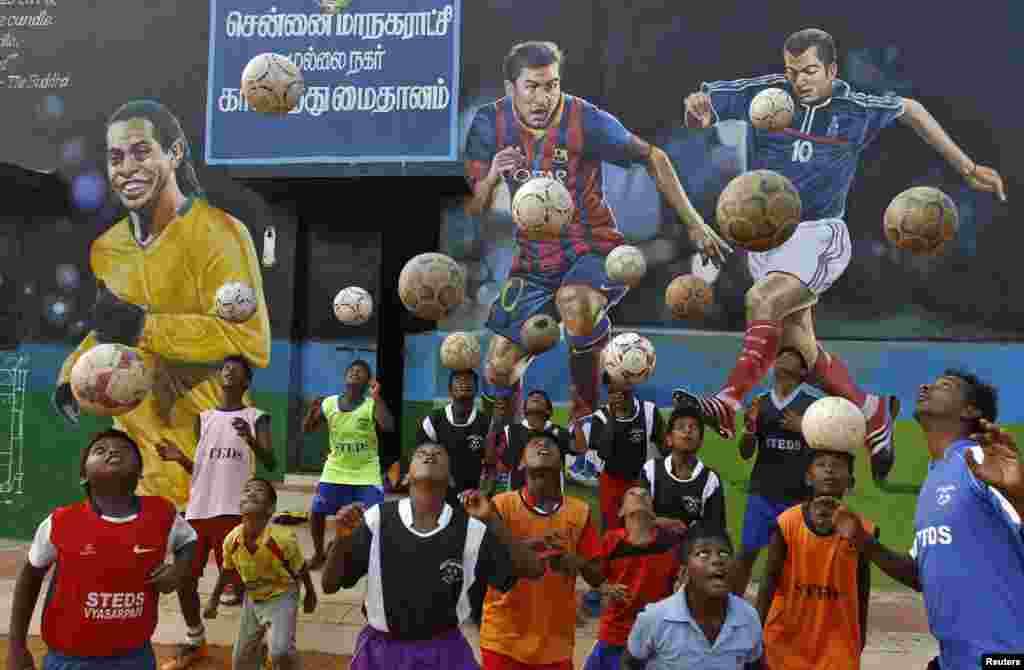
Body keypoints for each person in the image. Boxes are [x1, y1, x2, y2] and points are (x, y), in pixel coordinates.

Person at [678, 28, 1006, 482]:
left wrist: (967, 167)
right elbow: (704, 103)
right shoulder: (765, 94)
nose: (799, 81)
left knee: (763, 303)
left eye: (810, 71)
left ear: (832, 70)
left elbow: (910, 110)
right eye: (792, 71)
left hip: (819, 236)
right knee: (799, 350)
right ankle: (872, 412)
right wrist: (697, 111)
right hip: (766, 242)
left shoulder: (856, 109)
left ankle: (728, 400)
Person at [463, 40, 729, 436]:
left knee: (575, 303)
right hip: (533, 263)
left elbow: (653, 157)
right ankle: (506, 447)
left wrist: (694, 224)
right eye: (532, 87)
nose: (543, 97)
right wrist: (489, 178)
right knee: (499, 368)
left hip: (591, 248)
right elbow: (474, 207)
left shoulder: (584, 119)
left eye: (551, 85)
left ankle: (584, 424)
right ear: (510, 88)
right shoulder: (489, 124)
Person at [53, 99, 272, 508]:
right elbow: (112, 327)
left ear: (173, 153)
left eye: (141, 151)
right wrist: (72, 374)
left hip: (204, 467)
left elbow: (251, 341)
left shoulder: (221, 234)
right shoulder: (107, 249)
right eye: (116, 157)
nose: (127, 168)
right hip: (135, 469)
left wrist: (144, 328)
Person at [833, 370, 1024, 669]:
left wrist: (1019, 495)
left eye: (944, 386)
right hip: (955, 660)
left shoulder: (979, 461)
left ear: (969, 410)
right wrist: (864, 542)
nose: (926, 386)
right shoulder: (935, 477)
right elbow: (921, 575)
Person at [322, 443, 544, 670]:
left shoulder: (471, 530)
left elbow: (534, 569)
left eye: (438, 454)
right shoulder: (376, 519)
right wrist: (341, 539)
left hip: (445, 653)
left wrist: (492, 521)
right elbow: (329, 585)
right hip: (382, 653)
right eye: (421, 453)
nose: (429, 454)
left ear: (449, 479)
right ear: (407, 477)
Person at [6, 430, 197, 670]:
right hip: (69, 659)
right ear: (83, 475)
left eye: (124, 450)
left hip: (135, 656)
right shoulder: (62, 521)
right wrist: (16, 646)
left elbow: (190, 541)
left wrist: (179, 571)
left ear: (139, 473)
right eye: (100, 450)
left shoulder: (161, 514)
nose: (112, 451)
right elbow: (29, 579)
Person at [154, 355, 275, 669]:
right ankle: (195, 640)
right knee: (185, 579)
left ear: (246, 381)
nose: (228, 371)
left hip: (235, 511)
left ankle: (257, 643)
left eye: (236, 369)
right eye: (224, 368)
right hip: (198, 510)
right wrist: (179, 457)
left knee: (248, 581)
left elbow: (271, 463)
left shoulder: (256, 416)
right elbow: (205, 470)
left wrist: (249, 439)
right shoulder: (203, 417)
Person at [478, 434, 604, 670]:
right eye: (535, 444)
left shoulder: (580, 511)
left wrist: (578, 563)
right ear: (523, 462)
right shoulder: (500, 505)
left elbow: (597, 576)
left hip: (555, 645)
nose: (543, 444)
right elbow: (485, 569)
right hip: (503, 640)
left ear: (561, 463)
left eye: (550, 444)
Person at [757, 446, 875, 670]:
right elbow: (768, 581)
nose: (829, 470)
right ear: (808, 478)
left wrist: (860, 635)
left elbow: (862, 589)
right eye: (821, 465)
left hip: (837, 645)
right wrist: (754, 632)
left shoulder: (863, 530)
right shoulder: (787, 523)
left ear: (850, 482)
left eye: (838, 466)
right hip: (785, 641)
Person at [204, 478, 318, 670]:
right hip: (254, 598)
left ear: (271, 508)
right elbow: (227, 570)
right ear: (239, 505)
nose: (251, 492)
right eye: (247, 490)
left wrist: (310, 594)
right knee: (240, 661)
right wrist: (214, 599)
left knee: (280, 651)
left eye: (259, 491)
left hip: (283, 594)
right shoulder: (231, 540)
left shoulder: (283, 539)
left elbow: (300, 568)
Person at [730, 348, 815, 596]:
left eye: (792, 358)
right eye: (780, 356)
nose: (783, 360)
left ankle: (788, 614)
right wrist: (748, 431)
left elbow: (825, 446)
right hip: (762, 492)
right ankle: (730, 608)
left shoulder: (813, 406)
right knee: (746, 554)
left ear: (802, 371)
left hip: (798, 498)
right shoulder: (761, 402)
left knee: (792, 563)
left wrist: (804, 427)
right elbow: (745, 453)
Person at [622, 522, 763, 669]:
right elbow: (629, 664)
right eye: (703, 553)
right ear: (684, 569)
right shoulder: (655, 618)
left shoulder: (748, 617)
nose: (717, 560)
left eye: (724, 553)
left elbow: (754, 665)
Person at [302, 359, 396, 570]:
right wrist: (311, 411)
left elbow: (388, 426)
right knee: (316, 511)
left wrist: (377, 397)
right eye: (352, 370)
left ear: (367, 381)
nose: (355, 372)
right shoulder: (329, 403)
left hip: (366, 472)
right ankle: (318, 554)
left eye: (361, 372)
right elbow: (308, 429)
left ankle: (365, 556)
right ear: (345, 377)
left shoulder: (371, 404)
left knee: (375, 518)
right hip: (336, 470)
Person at [583, 486, 684, 670]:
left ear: (652, 512)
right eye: (631, 493)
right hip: (615, 632)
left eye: (645, 494)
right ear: (621, 511)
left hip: (653, 636)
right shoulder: (611, 540)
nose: (639, 495)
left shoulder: (670, 544)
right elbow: (594, 577)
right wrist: (606, 588)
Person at [580, 373, 667, 533]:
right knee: (611, 532)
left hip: (639, 482)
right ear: (608, 387)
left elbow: (666, 450)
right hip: (611, 482)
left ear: (631, 383)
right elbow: (603, 453)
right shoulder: (601, 417)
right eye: (614, 383)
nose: (619, 387)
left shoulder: (649, 411)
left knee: (641, 529)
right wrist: (614, 415)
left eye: (624, 380)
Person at [640, 405, 727, 535]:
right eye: (681, 427)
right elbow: (639, 519)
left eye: (693, 427)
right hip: (654, 550)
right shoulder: (651, 469)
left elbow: (715, 530)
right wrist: (664, 523)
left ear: (701, 441)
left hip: (691, 551)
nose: (687, 431)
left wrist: (688, 531)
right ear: (669, 439)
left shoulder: (710, 479)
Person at [415, 370, 493, 505]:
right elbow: (421, 461)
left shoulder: (486, 422)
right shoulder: (434, 421)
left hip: (474, 497)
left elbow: (491, 465)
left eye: (469, 380)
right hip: (438, 495)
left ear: (476, 390)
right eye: (458, 380)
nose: (464, 382)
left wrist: (483, 492)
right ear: (450, 390)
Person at [493, 389, 580, 492]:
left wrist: (576, 422)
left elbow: (579, 449)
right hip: (519, 498)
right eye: (532, 397)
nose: (536, 396)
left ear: (549, 411)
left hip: (551, 498)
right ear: (524, 410)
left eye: (541, 397)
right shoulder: (510, 431)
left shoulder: (560, 433)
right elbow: (501, 466)